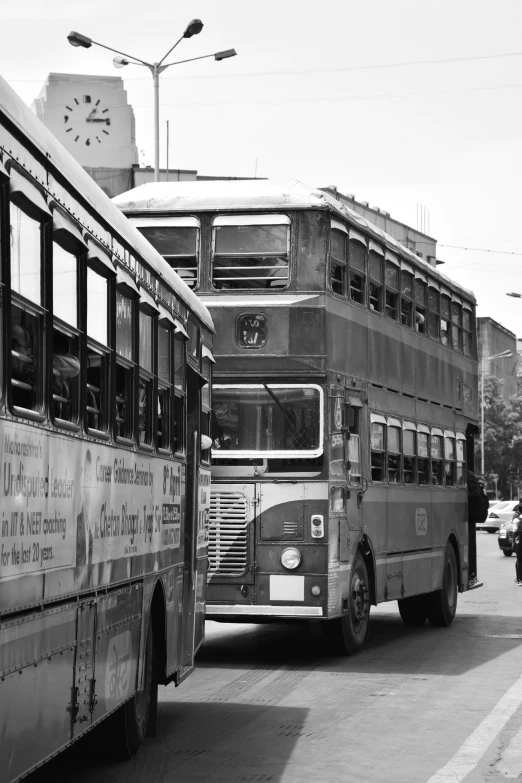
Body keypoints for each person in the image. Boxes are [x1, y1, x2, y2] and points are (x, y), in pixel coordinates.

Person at [467, 469, 489, 584]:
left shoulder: (466, 474)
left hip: (466, 516)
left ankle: (471, 573)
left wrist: (462, 495)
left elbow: (476, 493)